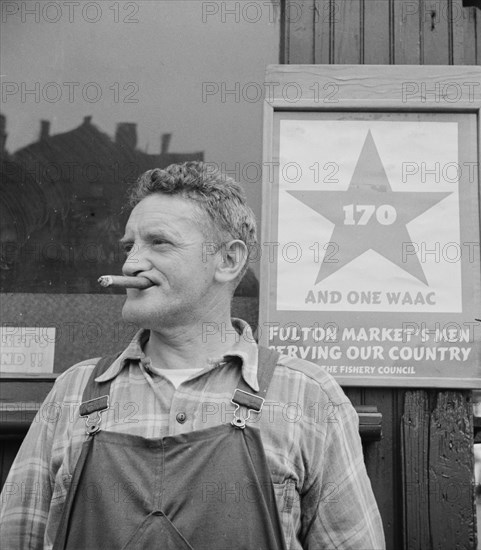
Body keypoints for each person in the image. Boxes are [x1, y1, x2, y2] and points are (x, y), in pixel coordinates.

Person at [0, 161, 385, 549]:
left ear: (228, 260)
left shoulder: (306, 396)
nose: (131, 263)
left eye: (159, 242)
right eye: (129, 245)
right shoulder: (74, 392)